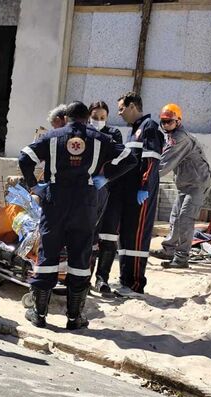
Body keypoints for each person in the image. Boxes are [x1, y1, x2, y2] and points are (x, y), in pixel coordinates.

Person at [19, 101, 137, 330]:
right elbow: (130, 158)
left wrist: (34, 185)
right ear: (86, 118)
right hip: (85, 203)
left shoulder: (53, 136)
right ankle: (75, 317)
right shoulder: (100, 139)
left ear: (66, 117)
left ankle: (39, 313)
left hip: (56, 202)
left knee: (49, 253)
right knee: (81, 256)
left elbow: (25, 157)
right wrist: (107, 177)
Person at [94, 92, 164, 296]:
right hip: (127, 192)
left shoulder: (149, 127)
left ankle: (135, 284)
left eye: (122, 108)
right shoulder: (135, 130)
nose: (120, 113)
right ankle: (126, 280)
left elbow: (151, 161)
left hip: (139, 193)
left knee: (137, 237)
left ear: (133, 106)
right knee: (126, 237)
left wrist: (144, 186)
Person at [151, 103, 211, 269]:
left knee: (185, 217)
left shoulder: (180, 138)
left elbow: (165, 163)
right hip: (185, 184)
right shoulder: (171, 136)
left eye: (169, 122)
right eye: (163, 122)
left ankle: (181, 257)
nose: (165, 125)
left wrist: (146, 178)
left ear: (178, 121)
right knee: (176, 216)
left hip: (198, 183)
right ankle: (169, 250)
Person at [87, 101, 123, 288]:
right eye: (94, 117)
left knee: (108, 235)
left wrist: (107, 177)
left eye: (102, 118)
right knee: (89, 234)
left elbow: (117, 159)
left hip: (109, 189)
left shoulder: (113, 134)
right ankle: (86, 277)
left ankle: (102, 279)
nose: (98, 121)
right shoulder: (83, 133)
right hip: (88, 191)